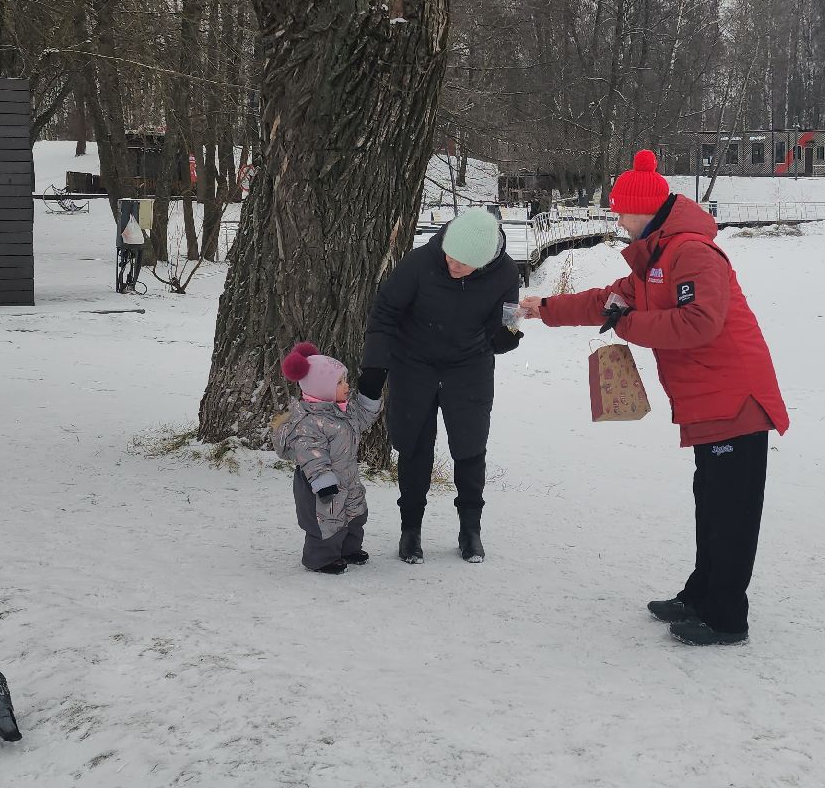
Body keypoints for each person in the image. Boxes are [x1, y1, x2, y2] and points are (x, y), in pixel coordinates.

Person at [521, 149, 789, 646]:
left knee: (730, 509)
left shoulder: (692, 252)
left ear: (644, 209)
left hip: (736, 398)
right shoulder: (656, 258)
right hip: (709, 400)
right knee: (710, 501)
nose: (617, 219)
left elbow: (700, 323)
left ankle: (727, 616)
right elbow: (609, 300)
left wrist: (627, 324)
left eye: (620, 209)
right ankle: (702, 593)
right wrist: (546, 308)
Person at [364, 208, 522, 564]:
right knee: (414, 445)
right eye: (450, 257)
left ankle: (470, 530)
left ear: (483, 262)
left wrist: (505, 336)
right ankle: (410, 531)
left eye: (463, 264)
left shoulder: (507, 272)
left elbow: (509, 316)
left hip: (469, 367)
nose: (453, 266)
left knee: (470, 447)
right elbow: (384, 312)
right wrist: (375, 367)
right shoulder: (420, 262)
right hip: (413, 364)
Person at [274, 342, 384, 574]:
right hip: (321, 485)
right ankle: (321, 558)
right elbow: (311, 454)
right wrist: (323, 482)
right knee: (325, 521)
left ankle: (348, 549)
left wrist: (371, 393)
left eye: (345, 380)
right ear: (321, 387)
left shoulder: (342, 411)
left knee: (355, 514)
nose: (347, 386)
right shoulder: (307, 422)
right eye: (340, 382)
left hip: (348, 478)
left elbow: (363, 417)